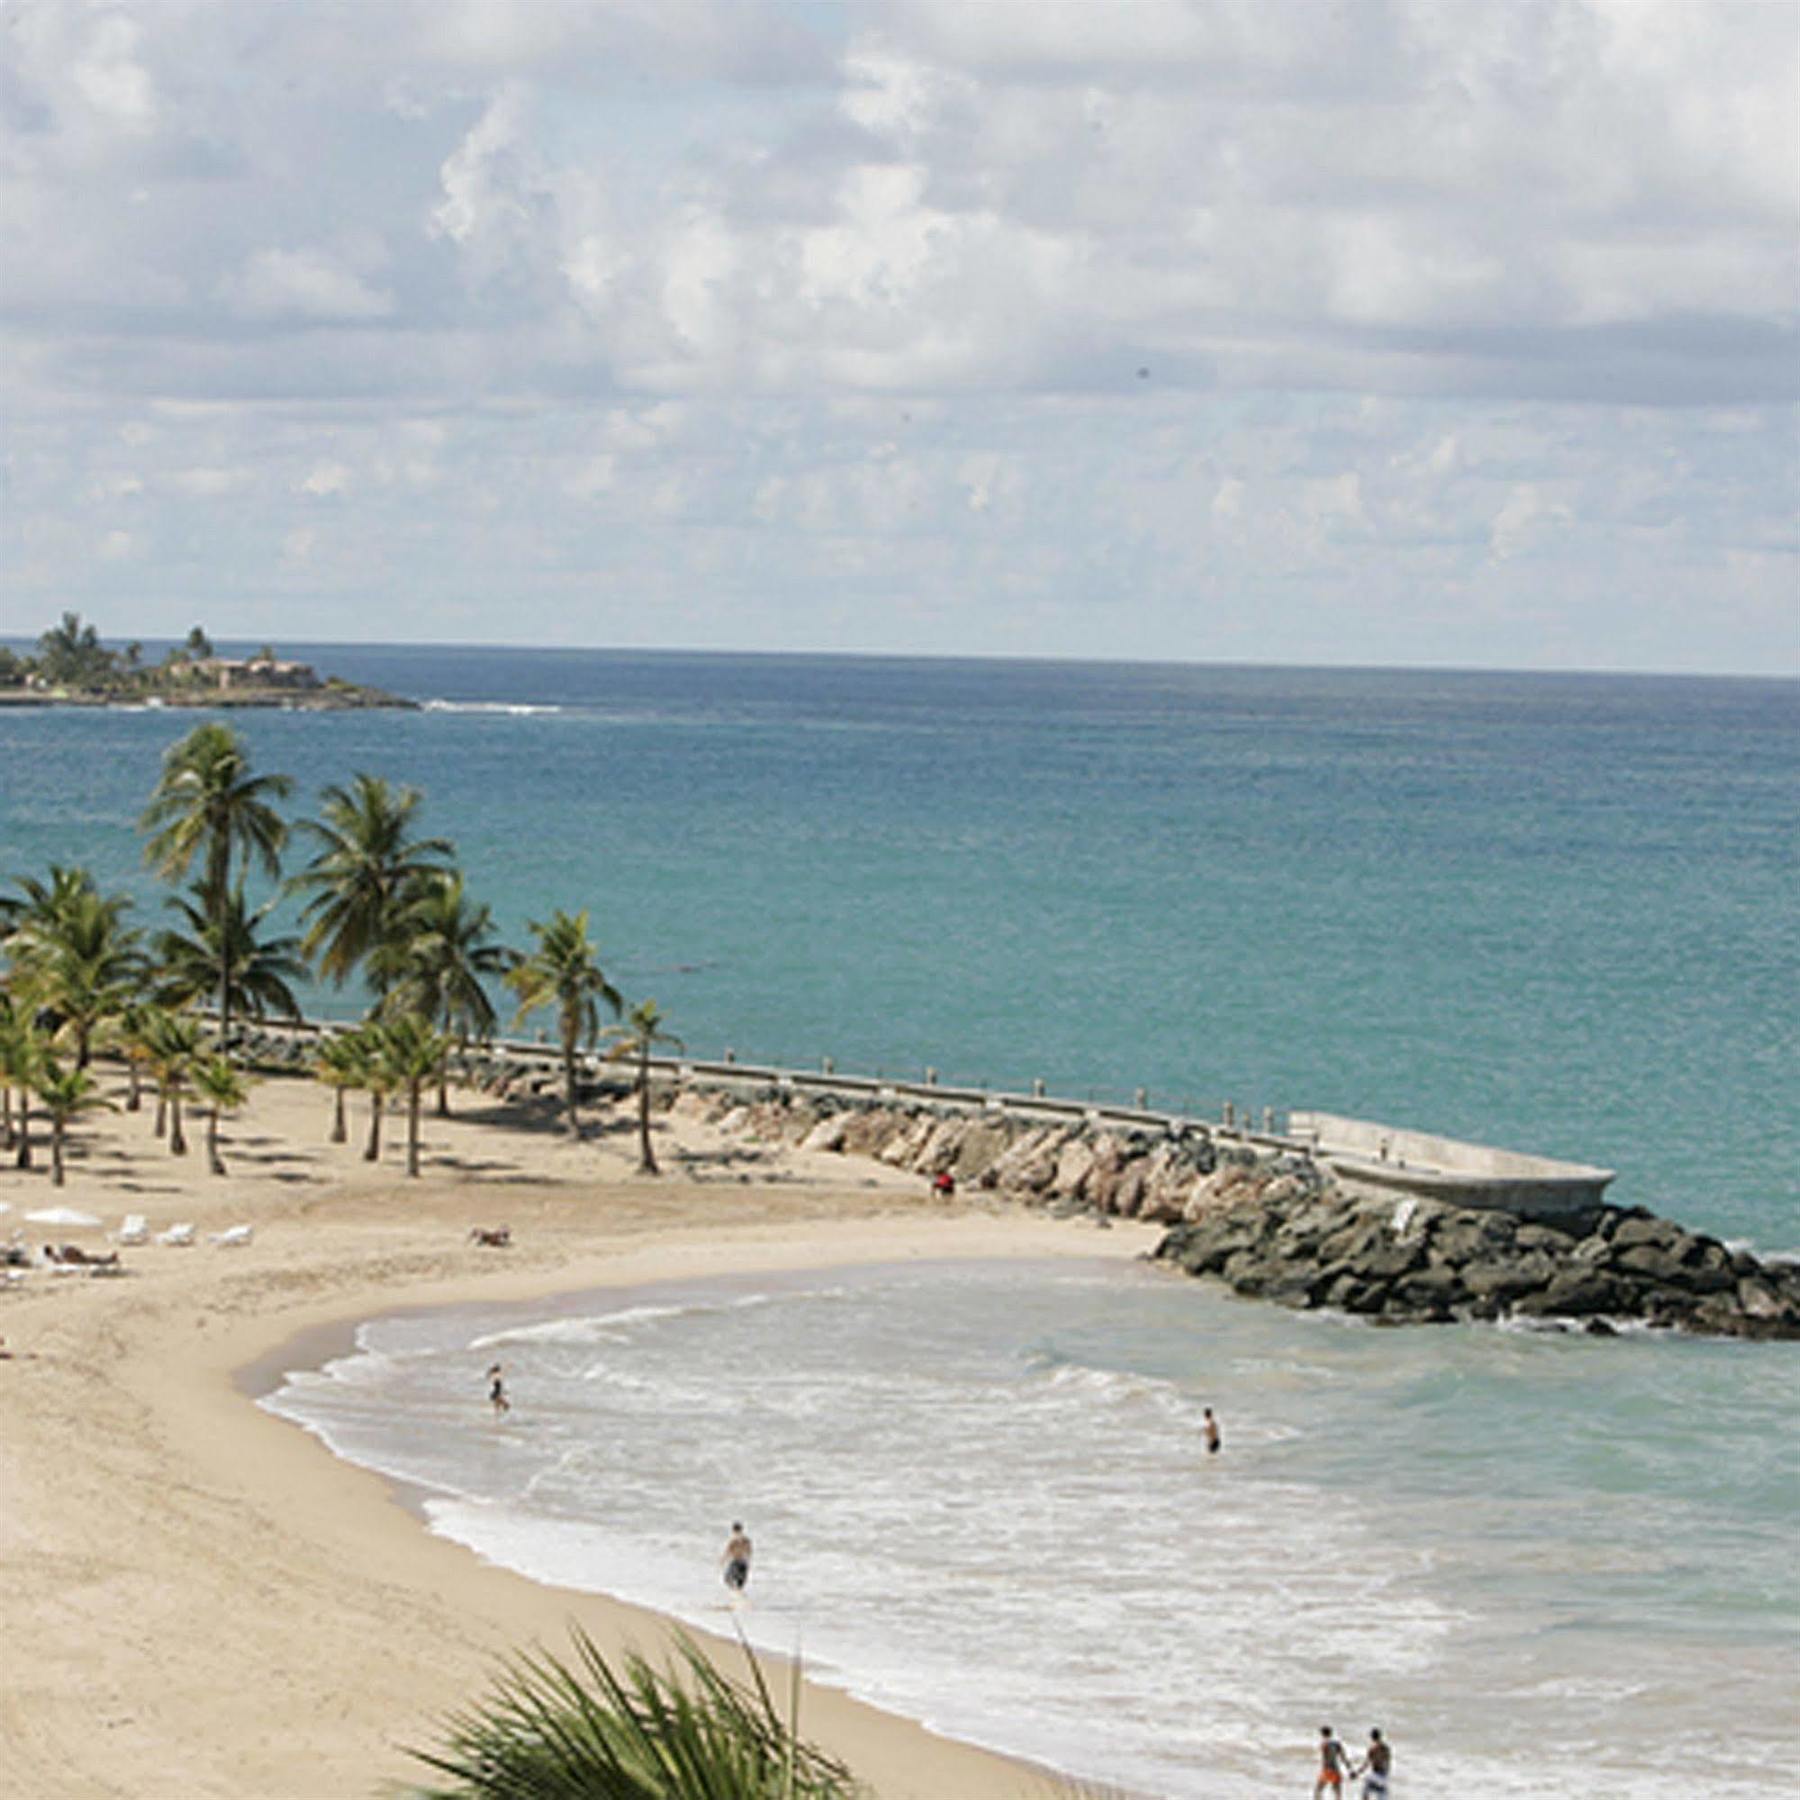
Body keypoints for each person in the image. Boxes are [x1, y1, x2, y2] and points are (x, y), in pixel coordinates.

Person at [1315, 1725, 1352, 1797]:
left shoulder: (1324, 1743)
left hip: (1327, 1770)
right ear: (1331, 1733)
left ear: (1322, 1734)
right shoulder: (1337, 1743)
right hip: (1335, 1769)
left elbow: (1325, 1757)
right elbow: (1343, 1757)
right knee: (1338, 1793)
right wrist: (1349, 1768)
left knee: (1318, 1790)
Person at [1354, 1728, 1391, 1798]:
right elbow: (1387, 1763)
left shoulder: (1373, 1749)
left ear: (1372, 1737)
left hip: (1376, 1775)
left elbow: (1366, 1764)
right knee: (1381, 1793)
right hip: (1384, 1776)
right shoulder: (1386, 1748)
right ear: (1380, 1736)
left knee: (1366, 1785)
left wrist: (1357, 1773)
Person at [722, 1522, 752, 1594]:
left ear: (733, 1530)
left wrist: (722, 1560)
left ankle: (736, 1595)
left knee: (727, 1579)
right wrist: (748, 1562)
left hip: (736, 1562)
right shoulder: (746, 1540)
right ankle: (740, 1598)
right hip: (744, 1562)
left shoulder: (733, 1540)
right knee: (740, 1583)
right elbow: (749, 1552)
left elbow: (728, 1551)